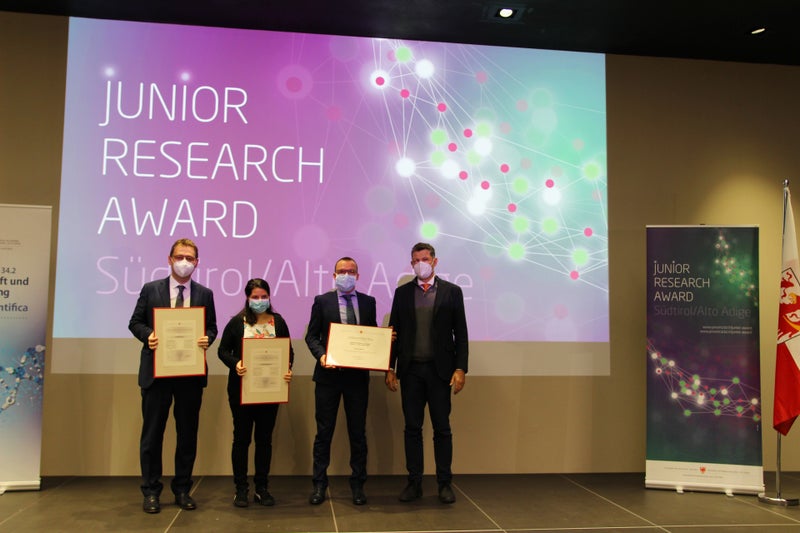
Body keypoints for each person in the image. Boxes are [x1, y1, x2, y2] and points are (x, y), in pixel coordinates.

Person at [128, 238, 218, 514]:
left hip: (189, 375)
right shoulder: (151, 289)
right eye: (180, 256)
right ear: (169, 259)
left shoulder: (205, 294)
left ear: (197, 263)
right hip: (157, 373)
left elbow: (212, 327)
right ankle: (151, 491)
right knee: (152, 436)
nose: (184, 262)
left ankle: (182, 489)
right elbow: (135, 322)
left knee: (187, 435)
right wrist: (149, 335)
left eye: (190, 258)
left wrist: (207, 338)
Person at [386, 242, 468, 504]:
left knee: (442, 429)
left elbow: (461, 334)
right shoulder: (402, 293)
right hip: (410, 371)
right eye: (415, 260)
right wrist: (389, 367)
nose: (420, 263)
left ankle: (444, 483)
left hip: (440, 372)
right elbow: (393, 334)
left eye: (424, 258)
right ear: (411, 264)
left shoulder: (452, 292)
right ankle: (414, 483)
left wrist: (460, 368)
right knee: (412, 428)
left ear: (434, 261)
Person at [305, 256, 377, 506]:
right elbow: (311, 336)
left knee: (358, 433)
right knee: (324, 432)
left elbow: (370, 335)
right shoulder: (322, 301)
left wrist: (382, 342)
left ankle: (358, 485)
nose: (346, 275)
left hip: (357, 378)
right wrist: (322, 355)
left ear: (358, 275)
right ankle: (319, 485)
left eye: (351, 271)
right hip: (328, 377)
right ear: (334, 276)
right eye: (342, 271)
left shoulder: (368, 302)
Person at [217, 278, 294, 508]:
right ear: (247, 298)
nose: (260, 301)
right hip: (242, 391)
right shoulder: (236, 322)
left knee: (264, 440)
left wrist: (287, 369)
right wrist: (236, 363)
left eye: (264, 297)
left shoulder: (278, 322)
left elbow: (288, 352)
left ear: (269, 297)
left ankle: (262, 488)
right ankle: (241, 489)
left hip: (269, 392)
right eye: (255, 297)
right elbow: (222, 351)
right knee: (241, 439)